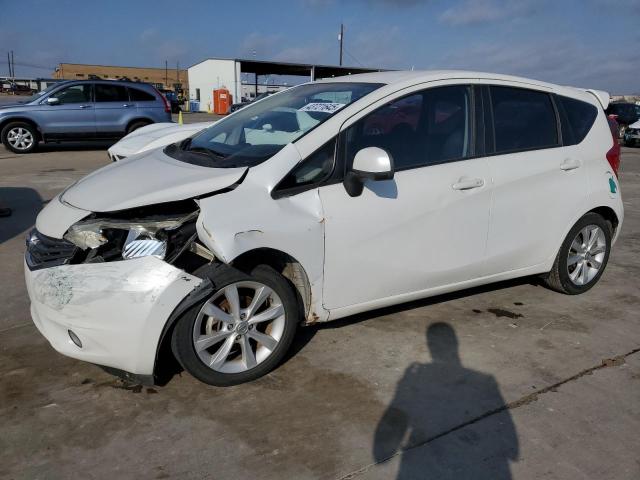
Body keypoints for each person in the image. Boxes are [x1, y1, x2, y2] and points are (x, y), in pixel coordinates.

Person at [374, 322, 518, 479]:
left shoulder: (417, 374)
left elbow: (398, 410)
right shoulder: (484, 381)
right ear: (455, 344)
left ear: (430, 346)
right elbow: (506, 431)